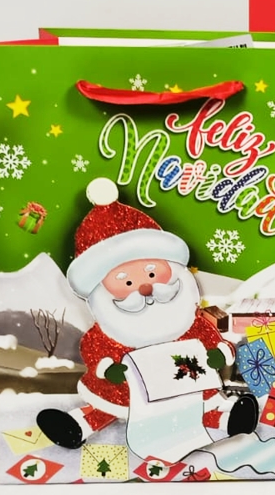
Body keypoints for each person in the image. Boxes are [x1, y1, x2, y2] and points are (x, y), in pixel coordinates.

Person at [37, 177, 258, 449]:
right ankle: (77, 426)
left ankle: (229, 421)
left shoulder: (186, 321)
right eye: (126, 282)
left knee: (197, 405)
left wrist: (218, 352)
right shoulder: (110, 329)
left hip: (185, 384)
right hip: (128, 389)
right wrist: (108, 368)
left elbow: (208, 336)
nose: (144, 287)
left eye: (152, 273)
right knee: (108, 407)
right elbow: (94, 349)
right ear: (101, 290)